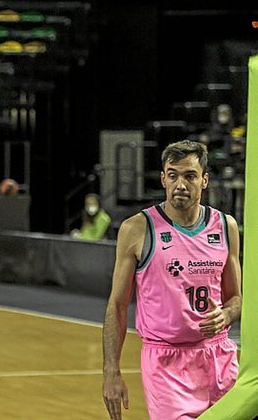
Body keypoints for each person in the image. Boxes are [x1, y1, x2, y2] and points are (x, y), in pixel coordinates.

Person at [102, 140, 242, 420]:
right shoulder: (137, 229)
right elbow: (117, 305)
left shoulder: (226, 226)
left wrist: (226, 315)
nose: (180, 184)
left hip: (219, 356)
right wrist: (111, 372)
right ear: (163, 179)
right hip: (167, 363)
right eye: (173, 175)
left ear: (204, 181)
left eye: (190, 176)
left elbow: (236, 299)